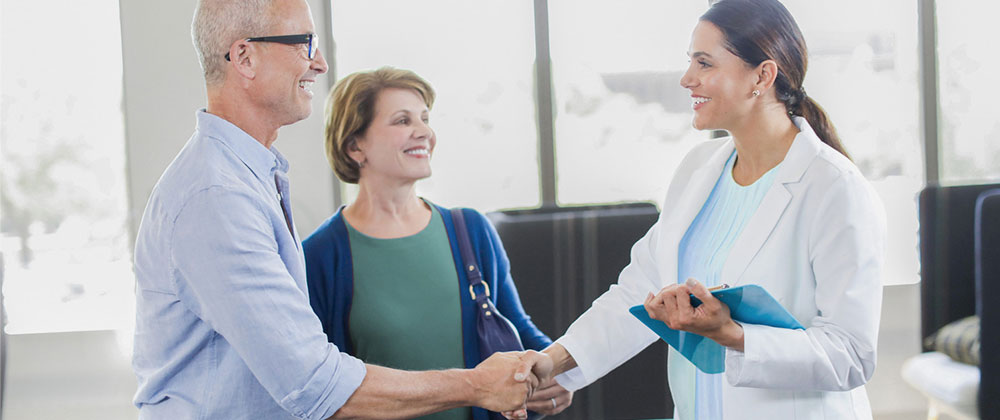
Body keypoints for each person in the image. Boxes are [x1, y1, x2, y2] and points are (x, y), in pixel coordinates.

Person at [131, 1, 551, 419]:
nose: (320, 63)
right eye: (304, 43)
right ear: (245, 57)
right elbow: (316, 384)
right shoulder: (216, 197)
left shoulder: (249, 179)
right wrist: (477, 385)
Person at [508, 0, 887, 419]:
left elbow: (851, 354)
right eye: (691, 61)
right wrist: (554, 362)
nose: (687, 79)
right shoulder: (697, 171)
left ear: (762, 75)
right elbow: (640, 294)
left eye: (704, 63)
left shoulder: (835, 188)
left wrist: (733, 335)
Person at [302, 67, 573, 420]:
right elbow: (319, 384)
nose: (424, 132)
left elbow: (517, 329)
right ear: (355, 146)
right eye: (402, 121)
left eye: (425, 118)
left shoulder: (471, 229)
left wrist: (556, 373)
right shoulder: (319, 256)